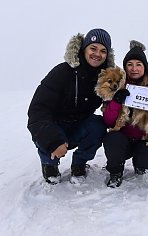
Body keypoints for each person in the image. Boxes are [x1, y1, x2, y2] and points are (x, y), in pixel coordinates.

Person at [27, 28, 115, 184]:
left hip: (79, 126)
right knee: (45, 133)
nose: (97, 54)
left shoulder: (104, 80)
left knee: (98, 125)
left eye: (103, 51)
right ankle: (49, 164)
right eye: (93, 48)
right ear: (84, 49)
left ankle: (79, 163)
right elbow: (37, 111)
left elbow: (125, 91)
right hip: (55, 125)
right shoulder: (62, 72)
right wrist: (53, 140)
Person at [102, 41, 148, 188]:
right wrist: (116, 101)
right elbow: (108, 121)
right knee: (112, 139)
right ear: (125, 67)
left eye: (138, 64)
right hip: (122, 138)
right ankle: (116, 171)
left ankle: (140, 163)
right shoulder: (117, 85)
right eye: (130, 64)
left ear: (144, 67)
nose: (134, 69)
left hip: (143, 139)